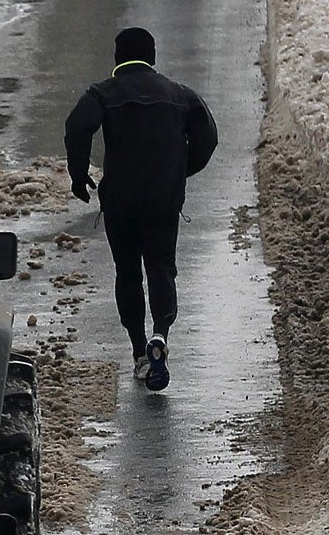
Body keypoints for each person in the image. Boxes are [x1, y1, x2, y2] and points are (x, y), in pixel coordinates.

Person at [63, 27, 218, 390]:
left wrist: (78, 173)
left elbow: (76, 127)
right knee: (162, 269)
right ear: (153, 56)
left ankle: (138, 352)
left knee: (128, 273)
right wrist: (178, 171)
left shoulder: (103, 93)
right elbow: (208, 138)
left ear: (118, 57)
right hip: (163, 201)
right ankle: (161, 333)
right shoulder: (180, 94)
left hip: (120, 200)